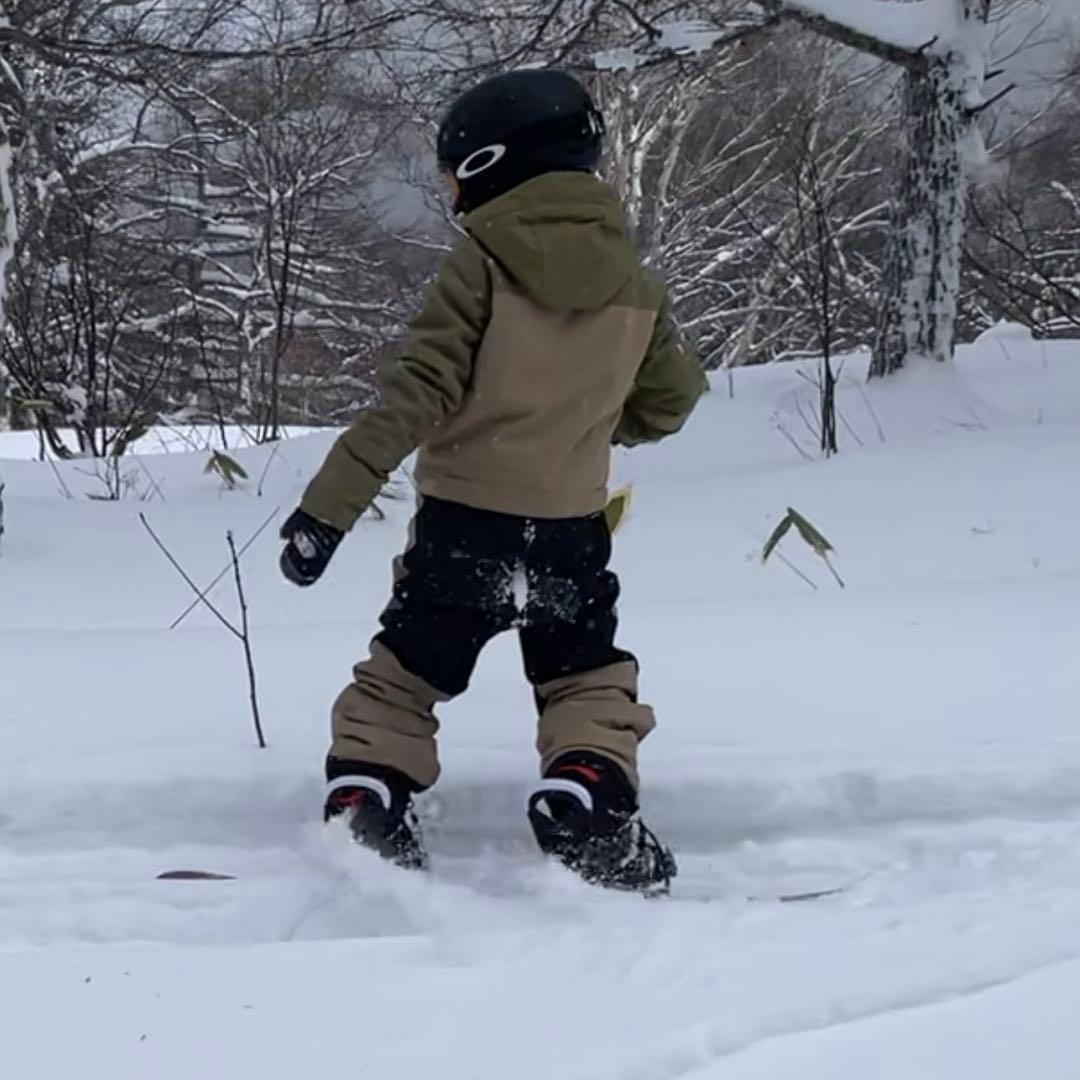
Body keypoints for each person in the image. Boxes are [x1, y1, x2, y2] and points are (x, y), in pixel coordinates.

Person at [279, 69, 705, 894]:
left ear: (488, 168)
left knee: (405, 671)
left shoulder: (478, 265)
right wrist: (590, 419)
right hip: (570, 532)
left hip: (462, 528)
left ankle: (369, 787)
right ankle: (586, 790)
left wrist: (324, 513)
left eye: (450, 176)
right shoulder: (634, 282)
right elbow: (672, 400)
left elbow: (415, 395)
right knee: (583, 674)